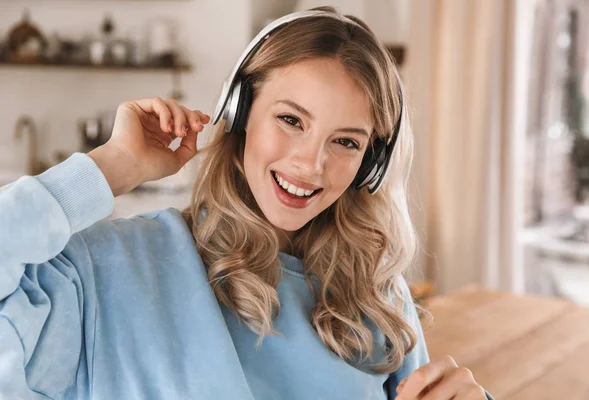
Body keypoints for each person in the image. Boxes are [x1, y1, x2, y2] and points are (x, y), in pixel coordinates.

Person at [0, 7, 494, 400]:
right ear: (239, 114)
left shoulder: (374, 298)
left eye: (346, 142)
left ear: (371, 163)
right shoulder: (105, 269)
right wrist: (111, 166)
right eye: (291, 120)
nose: (311, 163)